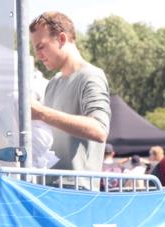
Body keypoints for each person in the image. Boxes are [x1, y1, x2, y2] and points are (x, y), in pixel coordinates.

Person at [29, 11, 111, 183]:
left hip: (76, 195)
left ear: (62, 39)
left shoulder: (91, 76)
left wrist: (41, 113)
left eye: (41, 46)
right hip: (48, 189)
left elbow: (99, 129)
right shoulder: (53, 83)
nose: (38, 55)